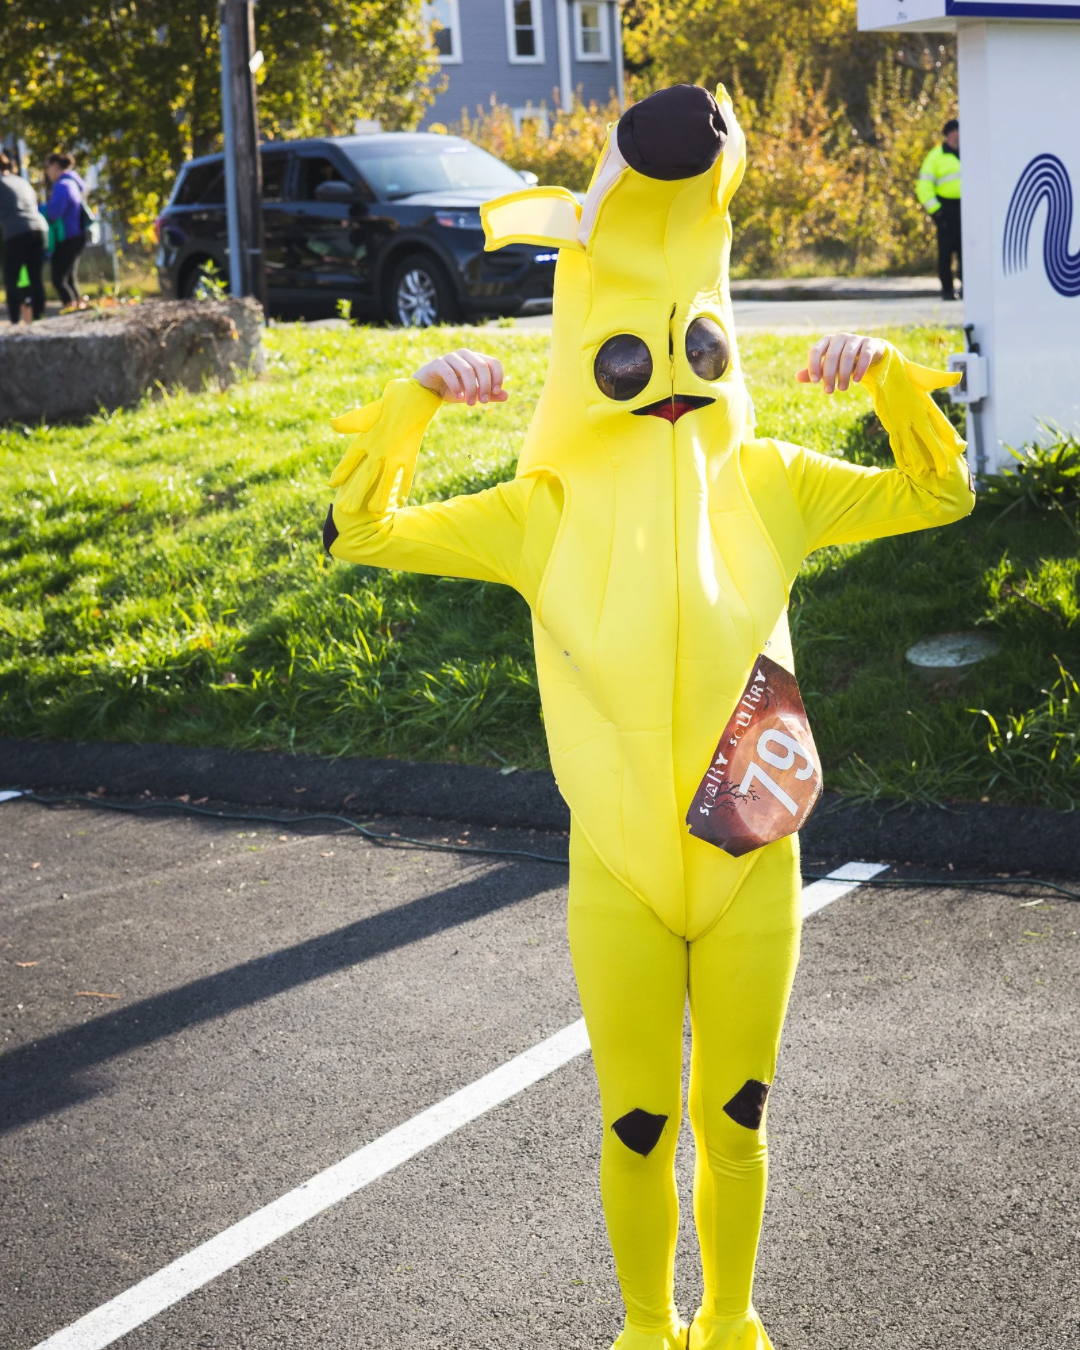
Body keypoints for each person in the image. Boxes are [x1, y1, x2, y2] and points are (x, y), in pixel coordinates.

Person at [322, 85, 974, 1350]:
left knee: (736, 1115)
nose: (667, 382)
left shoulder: (773, 483)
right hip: (619, 868)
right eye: (628, 358)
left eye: (696, 351)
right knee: (634, 1119)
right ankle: (642, 1326)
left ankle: (729, 1321)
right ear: (587, 354)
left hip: (752, 851)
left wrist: (891, 378)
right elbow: (363, 532)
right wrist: (409, 402)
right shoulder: (543, 509)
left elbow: (938, 496)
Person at [0, 150, 48, 324]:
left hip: (16, 232)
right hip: (40, 228)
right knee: (35, 277)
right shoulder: (21, 181)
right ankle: (39, 318)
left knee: (11, 279)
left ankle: (14, 322)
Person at [917, 117, 962, 300]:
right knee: (945, 253)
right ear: (948, 135)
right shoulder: (936, 156)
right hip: (946, 209)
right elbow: (924, 187)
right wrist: (937, 211)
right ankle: (947, 290)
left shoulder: (971, 152)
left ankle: (968, 289)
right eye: (955, 131)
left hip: (967, 208)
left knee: (968, 252)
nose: (958, 135)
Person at [43, 151, 88, 310]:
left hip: (67, 237)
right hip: (76, 236)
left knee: (58, 279)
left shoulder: (62, 186)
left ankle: (71, 311)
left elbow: (54, 213)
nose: (47, 172)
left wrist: (42, 209)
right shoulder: (73, 182)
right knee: (69, 278)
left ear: (55, 166)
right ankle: (79, 309)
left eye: (48, 167)